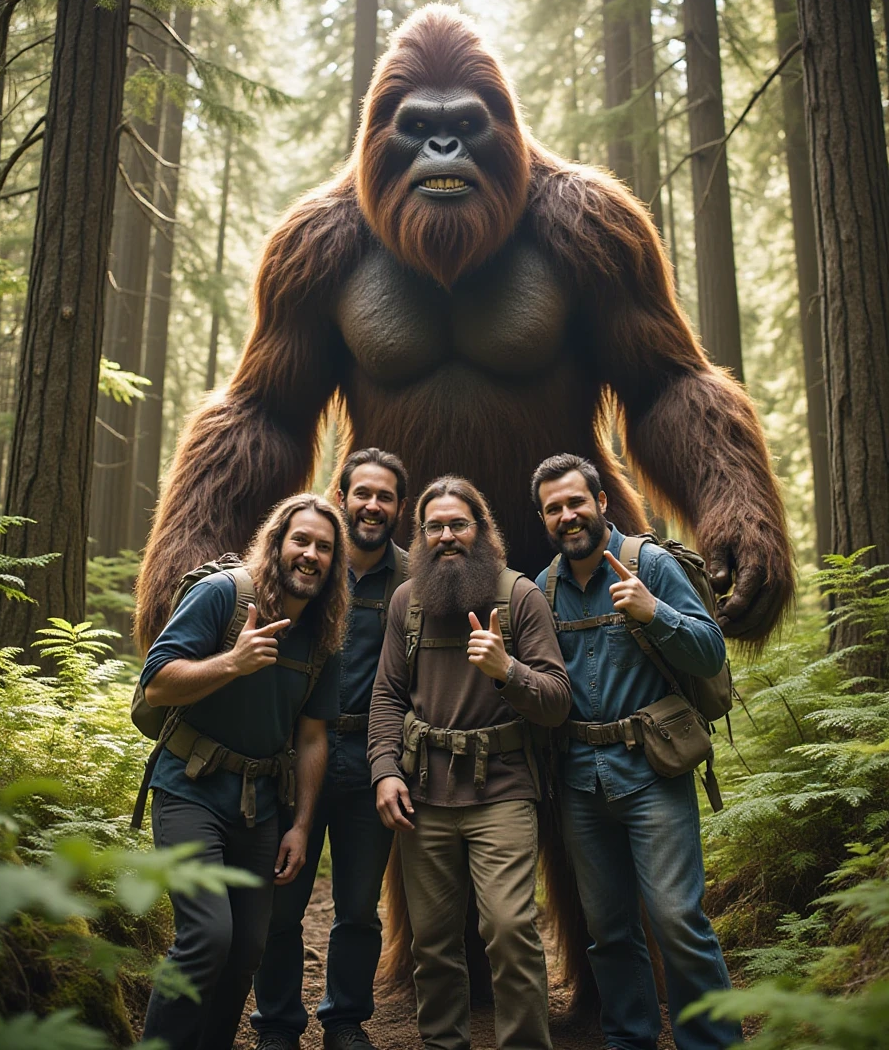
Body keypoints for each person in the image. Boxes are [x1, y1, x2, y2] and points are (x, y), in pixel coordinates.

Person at [531, 453, 744, 1050]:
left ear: (601, 502)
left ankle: (713, 1041)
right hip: (579, 781)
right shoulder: (544, 589)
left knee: (678, 920)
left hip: (653, 771)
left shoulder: (647, 563)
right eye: (553, 509)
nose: (567, 516)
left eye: (576, 502)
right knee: (608, 929)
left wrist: (655, 613)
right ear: (543, 519)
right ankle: (631, 1037)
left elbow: (709, 653)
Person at [139, 493, 350, 1050]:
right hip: (189, 788)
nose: (310, 555)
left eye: (324, 548)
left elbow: (311, 736)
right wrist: (232, 661)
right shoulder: (222, 595)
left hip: (259, 807)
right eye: (300, 540)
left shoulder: (324, 632)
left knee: (247, 950)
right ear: (276, 543)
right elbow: (156, 682)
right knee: (208, 935)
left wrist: (302, 825)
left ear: (335, 562)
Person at [368, 475, 571, 1050]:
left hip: (502, 790)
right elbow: (386, 696)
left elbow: (557, 700)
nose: (447, 537)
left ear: (481, 530)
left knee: (510, 930)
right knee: (432, 944)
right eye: (435, 527)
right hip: (424, 794)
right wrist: (385, 771)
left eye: (459, 524)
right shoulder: (407, 602)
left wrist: (508, 671)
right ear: (422, 534)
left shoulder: (519, 596)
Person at [252, 449, 409, 1050]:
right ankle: (277, 1024)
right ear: (340, 498)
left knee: (359, 907)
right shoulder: (311, 563)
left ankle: (345, 1019)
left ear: (398, 507)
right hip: (298, 754)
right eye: (362, 492)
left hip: (373, 758)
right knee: (282, 899)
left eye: (386, 496)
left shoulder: (411, 579)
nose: (373, 505)